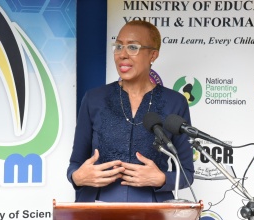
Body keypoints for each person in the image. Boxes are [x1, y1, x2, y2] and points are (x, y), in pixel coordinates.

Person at [67, 20, 194, 202]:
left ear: (153, 55)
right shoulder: (94, 99)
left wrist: (162, 179)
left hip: (152, 210)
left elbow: (187, 173)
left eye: (132, 47)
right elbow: (75, 165)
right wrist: (77, 177)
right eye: (118, 46)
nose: (122, 54)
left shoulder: (175, 102)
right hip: (96, 208)